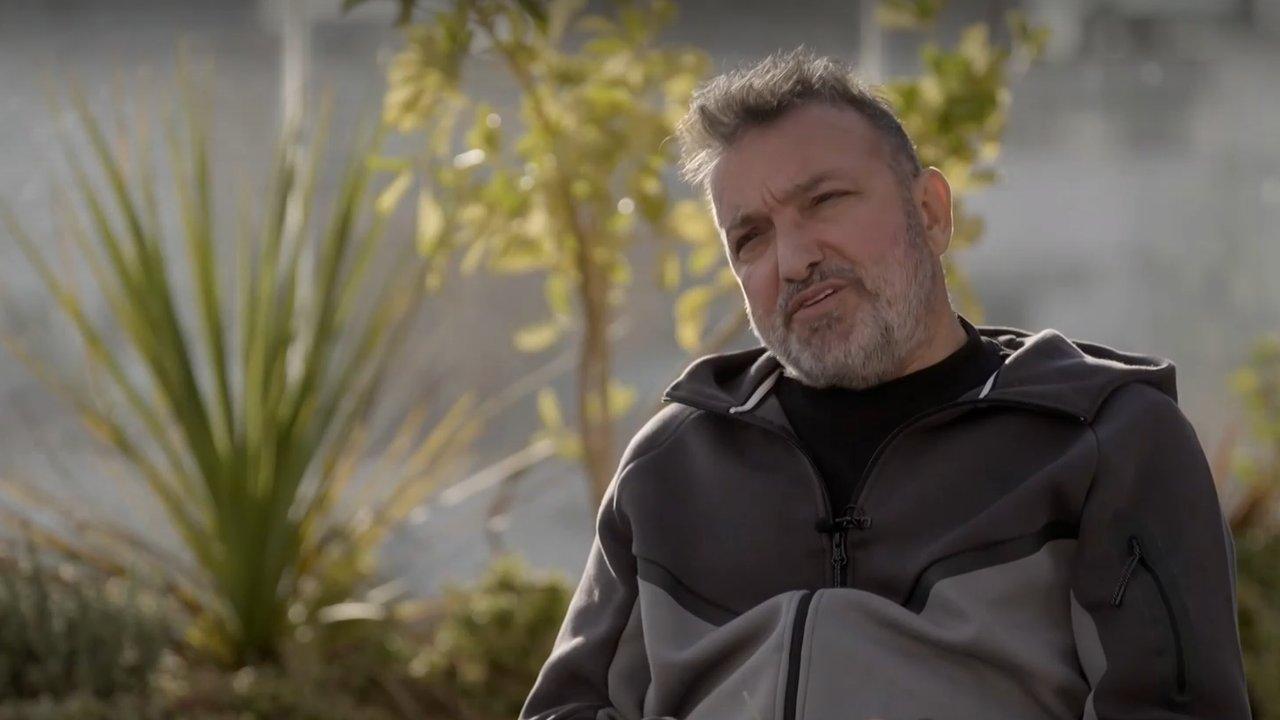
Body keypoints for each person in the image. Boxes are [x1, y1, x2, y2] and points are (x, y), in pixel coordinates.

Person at [519, 48, 1251, 720]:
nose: (795, 258)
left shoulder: (1107, 440)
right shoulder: (671, 468)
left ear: (930, 213)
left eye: (825, 200)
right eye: (751, 237)